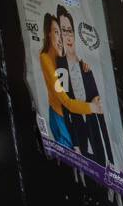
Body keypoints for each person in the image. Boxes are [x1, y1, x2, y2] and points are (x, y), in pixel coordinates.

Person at [56, 5, 112, 166]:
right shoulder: (60, 67)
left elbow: (100, 108)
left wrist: (111, 156)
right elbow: (66, 107)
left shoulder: (86, 66)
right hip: (77, 134)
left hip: (94, 129)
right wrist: (74, 144)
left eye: (70, 30)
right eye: (64, 31)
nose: (68, 36)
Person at [38, 12, 100, 149]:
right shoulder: (45, 59)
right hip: (60, 118)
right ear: (48, 34)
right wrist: (92, 108)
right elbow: (66, 101)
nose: (60, 38)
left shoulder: (61, 59)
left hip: (68, 118)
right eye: (56, 32)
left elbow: (70, 89)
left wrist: (83, 68)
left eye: (61, 33)